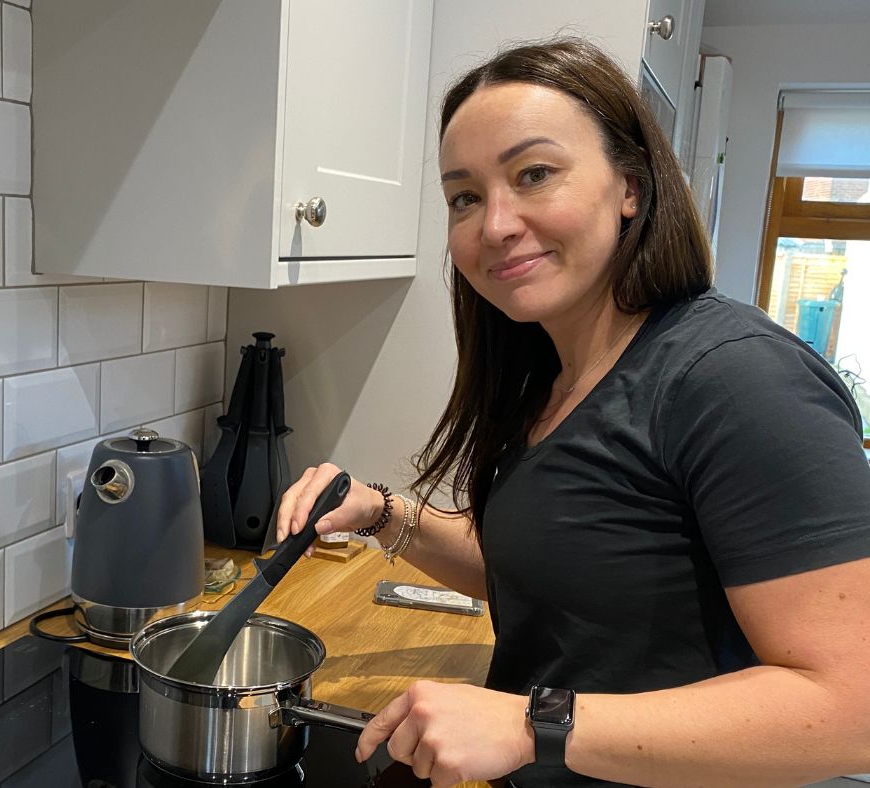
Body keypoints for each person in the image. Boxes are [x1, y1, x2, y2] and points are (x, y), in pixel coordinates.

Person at [275, 37, 870, 788]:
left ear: (630, 185)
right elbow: (558, 573)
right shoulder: (552, 372)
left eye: (534, 174)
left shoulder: (734, 379)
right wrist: (381, 514)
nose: (493, 224)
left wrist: (534, 724)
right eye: (463, 196)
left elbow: (853, 711)